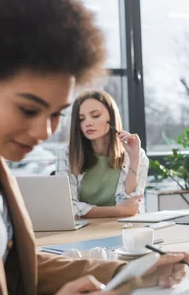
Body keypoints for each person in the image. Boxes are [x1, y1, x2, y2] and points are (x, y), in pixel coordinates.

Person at [0, 0, 189, 295]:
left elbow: (18, 266)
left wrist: (136, 273)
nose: (44, 131)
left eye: (56, 114)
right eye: (28, 110)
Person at [56, 90, 148, 219]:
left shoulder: (136, 155)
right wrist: (118, 211)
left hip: (122, 228)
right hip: (82, 232)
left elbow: (131, 205)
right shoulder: (66, 155)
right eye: (81, 119)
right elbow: (67, 206)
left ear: (111, 117)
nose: (88, 123)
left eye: (95, 115)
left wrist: (134, 158)